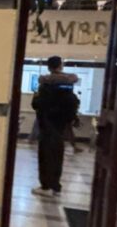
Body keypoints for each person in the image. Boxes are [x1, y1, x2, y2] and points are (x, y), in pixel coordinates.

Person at [31, 56, 80, 198]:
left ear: (48, 67)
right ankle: (56, 185)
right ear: (61, 65)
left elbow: (37, 104)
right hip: (61, 125)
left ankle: (45, 186)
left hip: (47, 124)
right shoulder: (69, 84)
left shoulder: (45, 84)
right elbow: (72, 103)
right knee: (58, 155)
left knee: (45, 155)